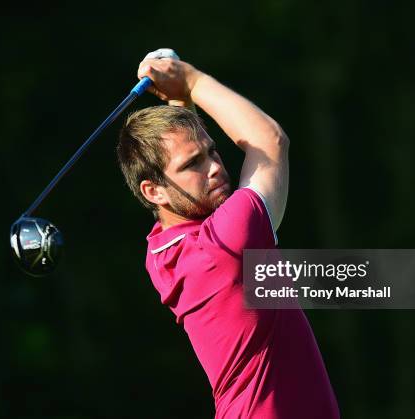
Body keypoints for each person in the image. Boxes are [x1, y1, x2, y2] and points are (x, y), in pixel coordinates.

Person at [116, 49, 339, 419]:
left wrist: (181, 104)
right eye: (193, 164)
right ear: (152, 191)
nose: (216, 168)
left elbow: (184, 209)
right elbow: (270, 142)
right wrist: (192, 80)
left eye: (212, 151)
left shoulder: (160, 250)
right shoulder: (227, 243)